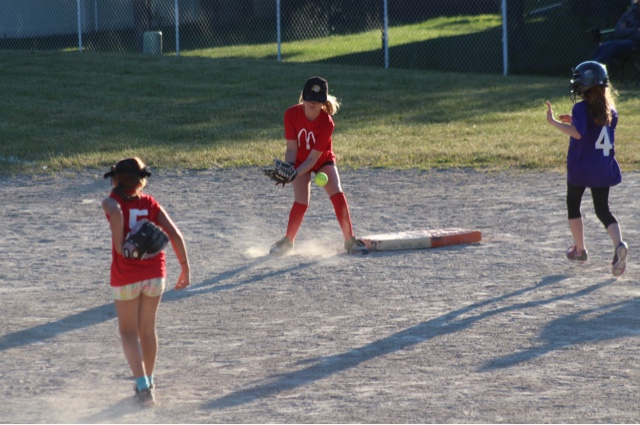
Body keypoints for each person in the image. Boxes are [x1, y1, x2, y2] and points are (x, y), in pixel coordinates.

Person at [102, 157, 191, 407]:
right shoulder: (150, 203)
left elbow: (114, 210)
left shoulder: (112, 202)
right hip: (155, 274)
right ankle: (149, 381)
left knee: (128, 331)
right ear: (141, 181)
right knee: (147, 329)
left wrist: (121, 246)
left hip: (125, 276)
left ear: (116, 180)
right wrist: (185, 268)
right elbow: (175, 234)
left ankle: (142, 387)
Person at [545, 61, 628, 277]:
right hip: (603, 167)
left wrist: (554, 122)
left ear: (585, 85)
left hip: (582, 167)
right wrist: (575, 121)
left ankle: (580, 250)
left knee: (573, 204)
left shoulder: (581, 107)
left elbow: (579, 133)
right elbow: (595, 129)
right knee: (602, 209)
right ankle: (619, 244)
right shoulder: (611, 111)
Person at [269, 76, 369, 255]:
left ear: (323, 102)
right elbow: (291, 148)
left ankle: (350, 240)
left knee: (337, 192)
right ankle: (288, 241)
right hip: (299, 161)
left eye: (317, 100)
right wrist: (289, 168)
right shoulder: (290, 114)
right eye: (309, 98)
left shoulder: (327, 122)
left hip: (322, 161)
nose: (312, 103)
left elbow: (314, 159)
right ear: (303, 98)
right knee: (301, 201)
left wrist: (294, 173)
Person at [592, 0, 640, 67]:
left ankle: (595, 68)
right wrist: (635, 29)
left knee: (609, 46)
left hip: (636, 45)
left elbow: (637, 36)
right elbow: (618, 32)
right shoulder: (628, 14)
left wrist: (626, 29)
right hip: (624, 42)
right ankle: (592, 68)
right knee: (600, 48)